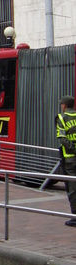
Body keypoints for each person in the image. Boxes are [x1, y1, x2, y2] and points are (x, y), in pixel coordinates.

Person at [56, 95, 76, 227]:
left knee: (72, 189)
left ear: (64, 105)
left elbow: (62, 139)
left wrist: (74, 148)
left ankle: (75, 216)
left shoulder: (62, 118)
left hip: (70, 160)